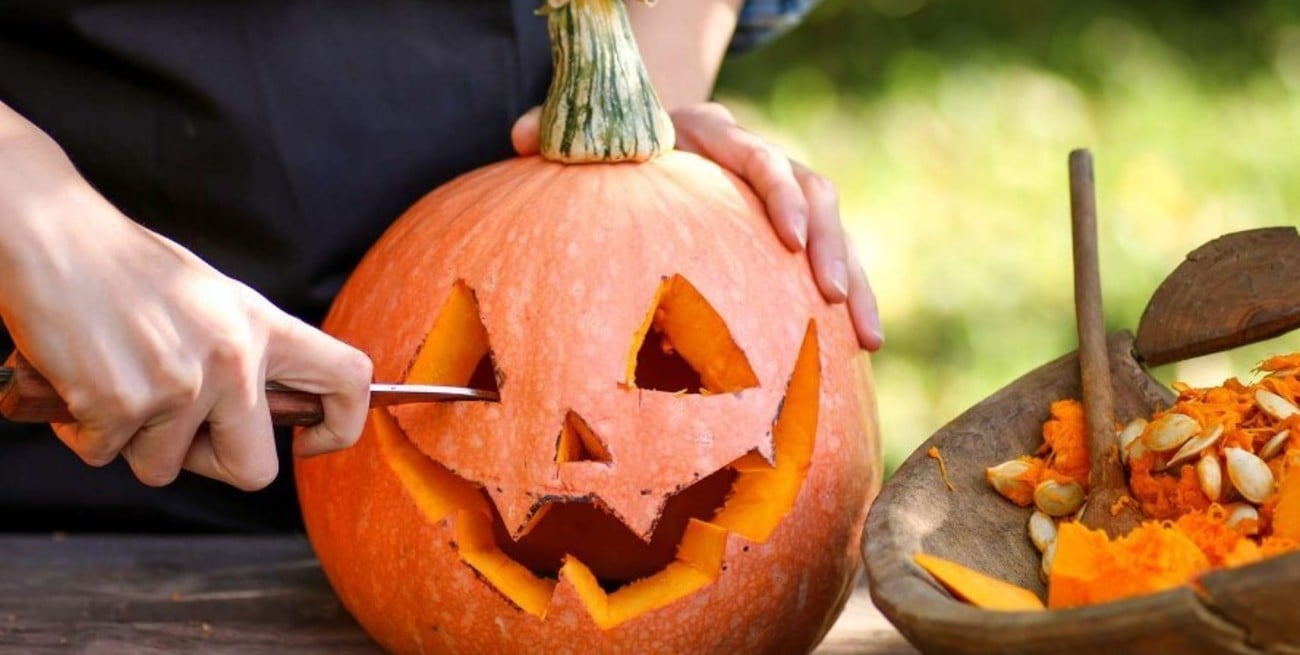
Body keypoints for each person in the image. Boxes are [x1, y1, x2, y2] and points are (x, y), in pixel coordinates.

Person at [0, 0, 881, 533]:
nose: (581, 447)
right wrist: (37, 216)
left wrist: (636, 120)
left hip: (488, 189)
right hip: (51, 509)